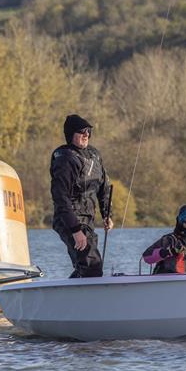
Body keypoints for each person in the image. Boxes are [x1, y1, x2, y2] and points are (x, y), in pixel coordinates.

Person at [50, 114, 113, 278]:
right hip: (69, 221)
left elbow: (104, 186)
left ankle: (68, 298)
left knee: (87, 266)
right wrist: (75, 230)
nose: (86, 135)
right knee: (91, 265)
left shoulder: (94, 155)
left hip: (88, 220)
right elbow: (60, 197)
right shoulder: (65, 159)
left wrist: (107, 214)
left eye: (89, 131)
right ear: (71, 135)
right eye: (81, 132)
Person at [142, 204, 186, 274]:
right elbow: (146, 257)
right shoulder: (170, 240)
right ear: (180, 221)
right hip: (166, 283)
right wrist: (167, 252)